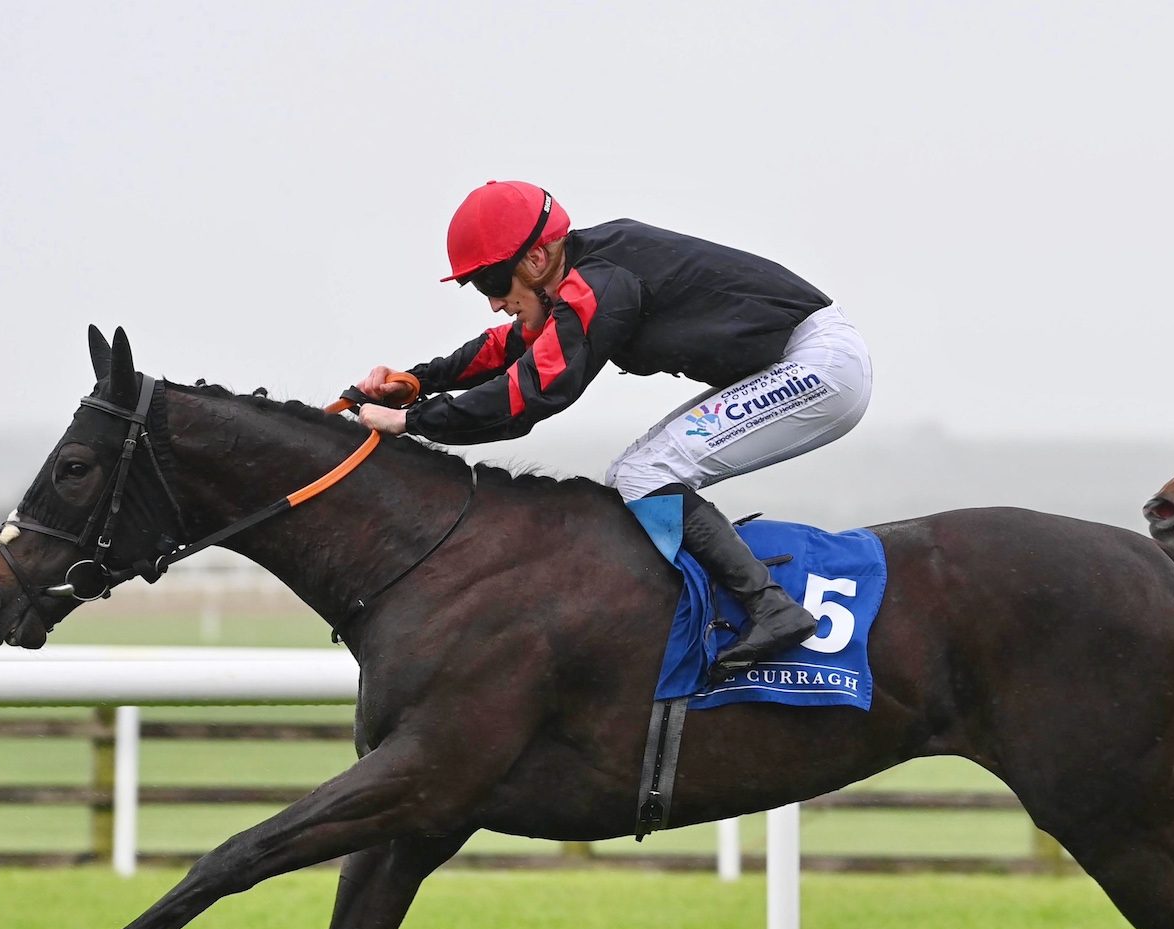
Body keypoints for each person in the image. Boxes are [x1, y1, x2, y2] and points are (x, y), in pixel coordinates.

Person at [352, 180, 873, 678]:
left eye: (492, 282)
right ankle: (723, 609)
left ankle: (770, 609)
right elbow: (510, 347)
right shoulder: (580, 275)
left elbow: (528, 396)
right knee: (629, 474)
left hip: (818, 364)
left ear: (536, 258)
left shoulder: (602, 283)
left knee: (647, 473)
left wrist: (410, 423)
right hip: (802, 361)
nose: (491, 301)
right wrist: (415, 381)